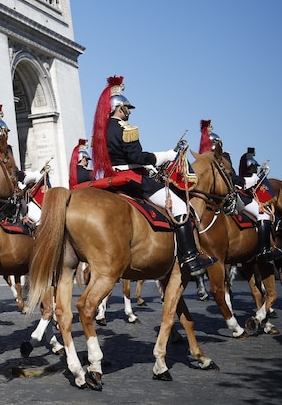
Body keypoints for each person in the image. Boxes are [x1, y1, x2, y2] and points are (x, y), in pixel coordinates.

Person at [91, 76, 216, 278]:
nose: (129, 112)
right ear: (119, 108)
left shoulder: (100, 131)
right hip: (132, 178)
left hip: (111, 178)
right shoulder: (126, 129)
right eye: (127, 108)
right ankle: (191, 257)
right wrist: (164, 156)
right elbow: (136, 157)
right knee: (180, 207)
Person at [200, 120, 281, 262]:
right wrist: (249, 181)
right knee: (263, 216)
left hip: (207, 196)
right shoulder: (223, 157)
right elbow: (230, 178)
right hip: (231, 194)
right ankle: (264, 250)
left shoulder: (201, 159)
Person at [0, 104, 44, 223]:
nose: (8, 134)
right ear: (1, 132)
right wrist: (33, 175)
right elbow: (13, 173)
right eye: (6, 131)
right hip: (7, 195)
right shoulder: (4, 149)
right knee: (40, 218)